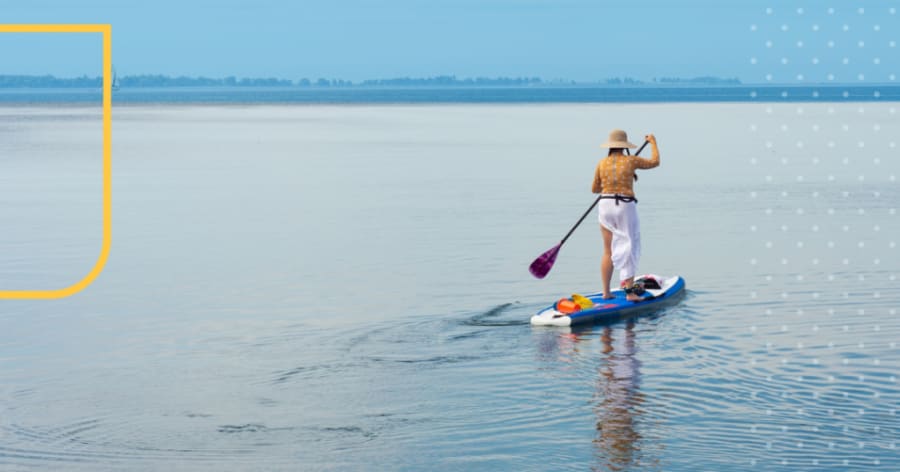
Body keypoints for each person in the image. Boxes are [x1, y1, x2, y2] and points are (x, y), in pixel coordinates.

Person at [591, 129, 660, 301]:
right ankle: (630, 293)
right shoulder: (631, 161)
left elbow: (594, 189)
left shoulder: (601, 163)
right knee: (630, 244)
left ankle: (606, 292)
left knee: (607, 251)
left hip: (605, 204)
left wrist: (609, 185)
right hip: (624, 205)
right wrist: (653, 142)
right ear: (624, 146)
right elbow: (655, 162)